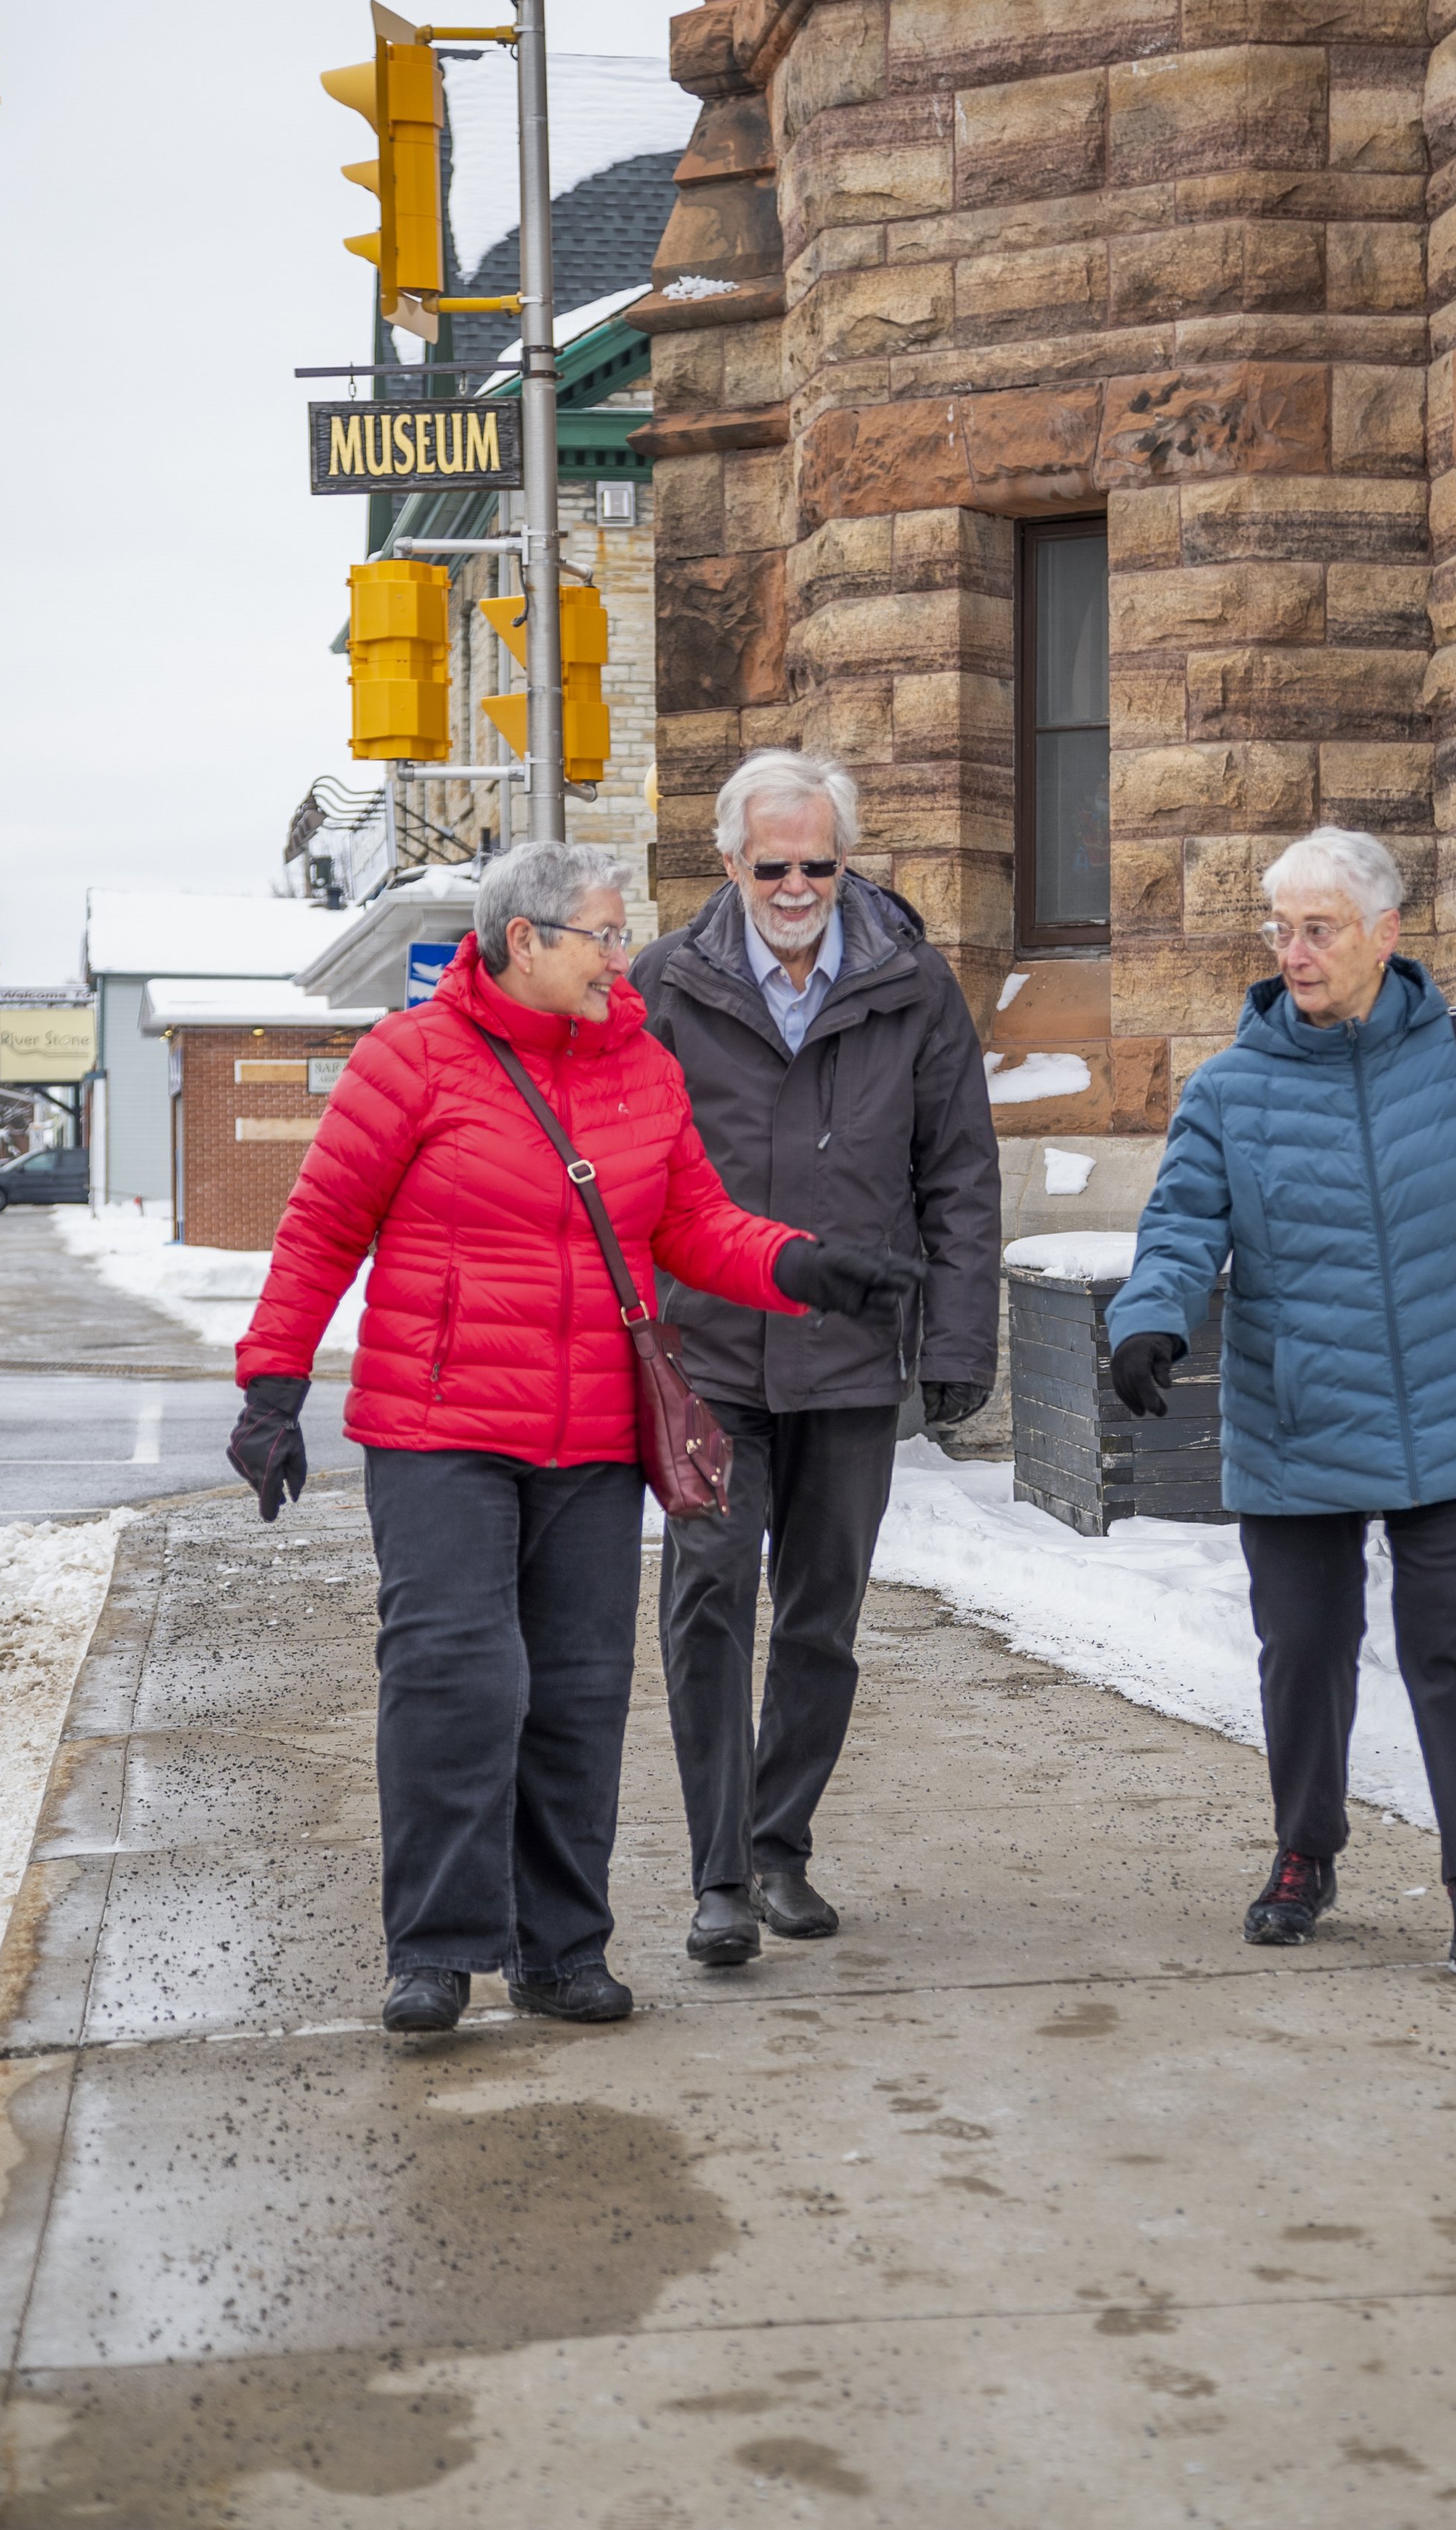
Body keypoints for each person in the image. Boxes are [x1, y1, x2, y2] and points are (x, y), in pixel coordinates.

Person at [225, 839, 916, 2036]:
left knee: (579, 1691)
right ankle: (436, 1952)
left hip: (594, 1432)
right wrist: (273, 1386)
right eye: (599, 932)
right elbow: (322, 1229)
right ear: (524, 940)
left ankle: (561, 1949)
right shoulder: (411, 1062)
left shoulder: (642, 1068)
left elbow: (695, 1223)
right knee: (454, 1675)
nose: (619, 952)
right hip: (439, 1426)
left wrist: (805, 1266)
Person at [1106, 826, 1456, 1989]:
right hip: (1300, 1411)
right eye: (1280, 929)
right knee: (1307, 1647)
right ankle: (1305, 1847)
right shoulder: (1232, 1086)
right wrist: (1150, 1320)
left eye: (1317, 929)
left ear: (1386, 933)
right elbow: (1181, 1226)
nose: (1294, 951)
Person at [632, 750, 1001, 1965]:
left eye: (820, 864)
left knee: (822, 1616)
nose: (797, 886)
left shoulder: (912, 985)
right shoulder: (664, 988)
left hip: (848, 1358)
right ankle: (720, 1872)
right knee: (708, 1599)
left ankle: (783, 1846)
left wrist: (956, 1339)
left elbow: (956, 1174)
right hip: (710, 1357)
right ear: (730, 862)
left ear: (847, 863)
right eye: (773, 864)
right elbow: (617, 1179)